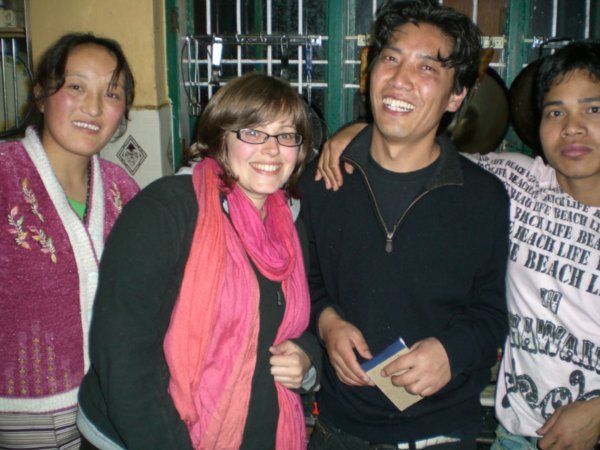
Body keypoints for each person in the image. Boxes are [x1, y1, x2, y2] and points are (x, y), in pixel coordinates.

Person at [318, 39, 600, 450]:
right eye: (556, 111)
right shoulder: (515, 183)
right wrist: (357, 132)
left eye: (593, 109)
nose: (572, 127)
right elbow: (414, 150)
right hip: (518, 436)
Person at [299, 1, 510, 449]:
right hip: (340, 429)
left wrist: (453, 352)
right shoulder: (324, 180)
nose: (399, 80)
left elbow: (491, 311)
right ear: (368, 71)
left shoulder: (483, 197)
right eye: (390, 58)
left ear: (457, 95)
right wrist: (327, 321)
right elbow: (305, 277)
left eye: (427, 68)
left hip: (443, 432)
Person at [76, 72, 322, 450]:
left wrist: (307, 356)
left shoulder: (289, 226)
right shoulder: (166, 211)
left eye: (286, 135)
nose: (272, 150)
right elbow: (124, 358)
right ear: (220, 136)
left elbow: (288, 324)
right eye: (252, 132)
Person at [0, 33, 139, 449]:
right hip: (17, 420)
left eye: (111, 94)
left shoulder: (123, 188)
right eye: (76, 86)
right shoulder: (4, 175)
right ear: (41, 94)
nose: (94, 108)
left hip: (106, 411)